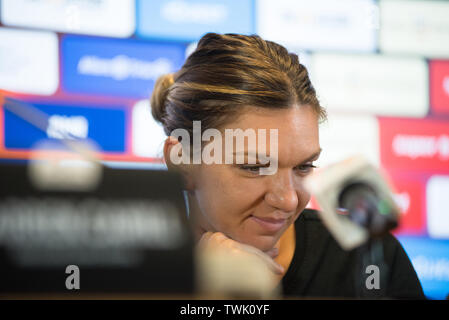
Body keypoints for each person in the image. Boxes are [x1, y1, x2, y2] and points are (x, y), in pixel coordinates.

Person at [150, 32, 425, 299]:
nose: (289, 200)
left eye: (304, 166)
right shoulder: (126, 264)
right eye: (254, 167)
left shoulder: (368, 256)